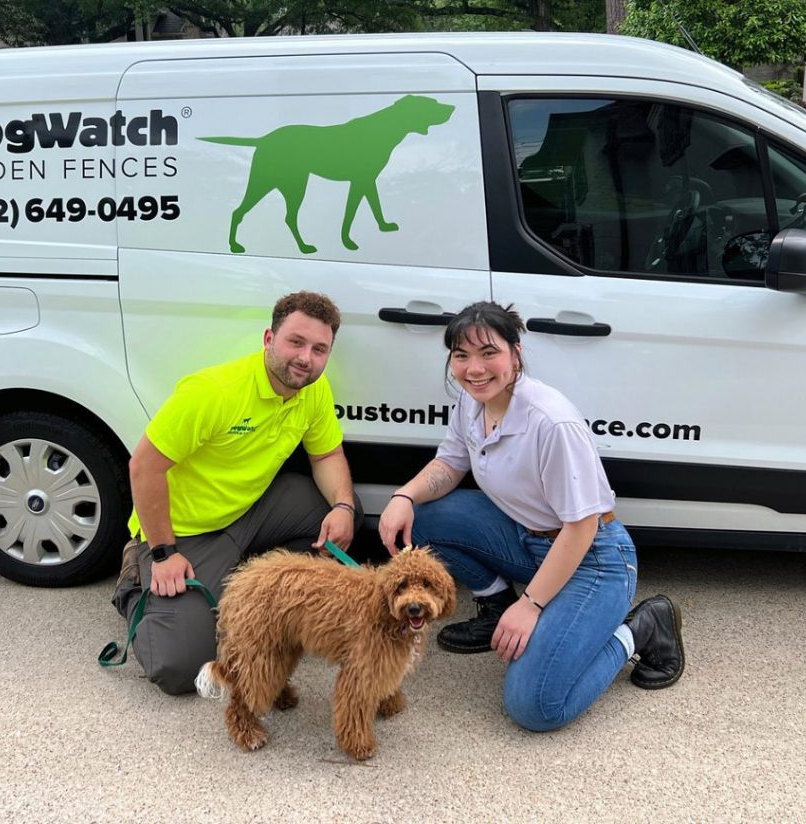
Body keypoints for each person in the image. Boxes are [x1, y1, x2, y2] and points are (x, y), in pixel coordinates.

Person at [378, 301, 684, 732]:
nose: (475, 368)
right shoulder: (471, 402)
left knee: (536, 706)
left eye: (489, 353)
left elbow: (581, 528)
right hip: (527, 538)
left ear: (515, 354)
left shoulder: (550, 422)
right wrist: (404, 496)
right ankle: (494, 606)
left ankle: (641, 628)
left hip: (592, 558)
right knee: (422, 519)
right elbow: (450, 464)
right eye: (461, 356)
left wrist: (531, 604)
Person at [113, 291, 360, 695]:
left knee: (336, 517)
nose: (306, 359)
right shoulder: (213, 391)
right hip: (186, 532)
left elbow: (327, 455)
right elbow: (144, 467)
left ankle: (250, 587)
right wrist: (163, 553)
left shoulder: (313, 389)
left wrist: (345, 506)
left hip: (251, 511)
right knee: (180, 669)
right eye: (295, 342)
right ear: (268, 339)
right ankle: (133, 576)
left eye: (319, 349)